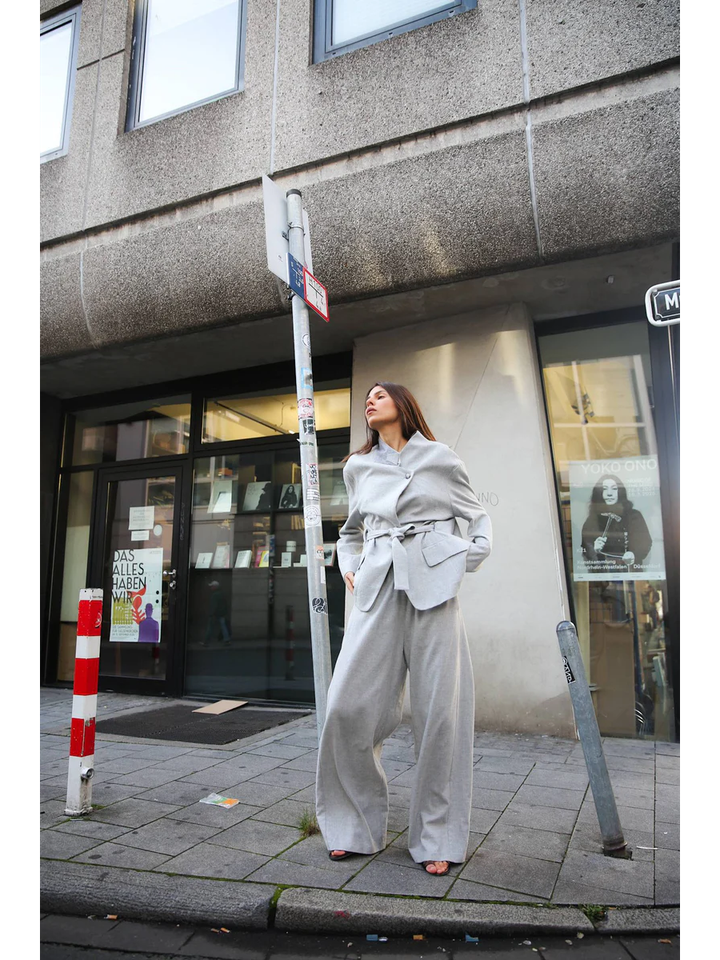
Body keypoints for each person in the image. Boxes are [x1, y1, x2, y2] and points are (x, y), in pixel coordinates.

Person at [315, 381, 492, 877]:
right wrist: (348, 562)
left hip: (434, 589)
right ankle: (353, 825)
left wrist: (456, 561)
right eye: (365, 398)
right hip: (375, 589)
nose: (369, 402)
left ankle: (438, 837)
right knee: (346, 705)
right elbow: (350, 530)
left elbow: (478, 521)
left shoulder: (440, 458)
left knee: (441, 716)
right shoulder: (358, 466)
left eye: (379, 394)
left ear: (403, 404)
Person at [580, 474, 652, 574]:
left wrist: (634, 554)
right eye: (605, 489)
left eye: (614, 489)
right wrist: (594, 548)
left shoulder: (634, 516)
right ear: (599, 493)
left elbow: (645, 542)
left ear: (620, 492)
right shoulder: (592, 520)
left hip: (631, 573)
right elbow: (585, 549)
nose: (609, 494)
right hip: (605, 576)